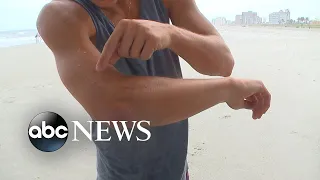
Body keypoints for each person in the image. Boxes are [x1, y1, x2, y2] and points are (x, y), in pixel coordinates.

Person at [37, 0, 271, 180]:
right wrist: (226, 90)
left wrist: (170, 34)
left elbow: (222, 62)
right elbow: (118, 106)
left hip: (177, 171)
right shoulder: (62, 16)